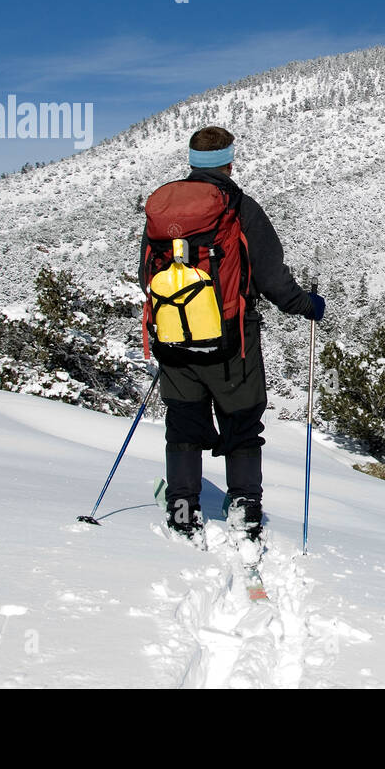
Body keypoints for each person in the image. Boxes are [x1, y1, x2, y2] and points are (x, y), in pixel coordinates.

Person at [141, 126, 324, 545]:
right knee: (241, 425)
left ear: (191, 160)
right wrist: (307, 306)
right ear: (230, 160)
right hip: (231, 341)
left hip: (174, 340)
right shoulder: (239, 208)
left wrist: (181, 315)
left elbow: (145, 277)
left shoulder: (163, 210)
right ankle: (244, 508)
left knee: (183, 426)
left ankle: (183, 510)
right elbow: (272, 278)